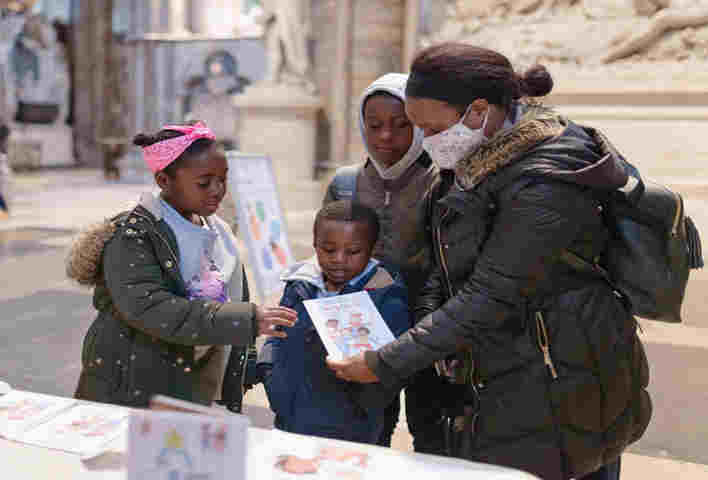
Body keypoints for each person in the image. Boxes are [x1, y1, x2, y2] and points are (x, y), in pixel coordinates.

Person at [327, 43, 651, 480]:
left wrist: (384, 362)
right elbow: (442, 262)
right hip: (501, 378)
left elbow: (491, 293)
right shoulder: (473, 157)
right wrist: (431, 344)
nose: (425, 141)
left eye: (430, 128)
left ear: (477, 112)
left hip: (563, 374)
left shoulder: (548, 177)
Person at [68, 121, 297, 408]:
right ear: (164, 180)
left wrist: (246, 365)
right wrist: (246, 320)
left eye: (223, 179)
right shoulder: (133, 236)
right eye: (204, 183)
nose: (217, 190)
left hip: (191, 385)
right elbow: (154, 309)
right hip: (131, 387)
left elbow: (236, 295)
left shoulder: (219, 231)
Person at [323, 73, 442, 452]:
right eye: (374, 126)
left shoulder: (442, 182)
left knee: (432, 434)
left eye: (401, 125)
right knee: (368, 433)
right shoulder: (346, 185)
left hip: (431, 329)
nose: (385, 138)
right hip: (363, 330)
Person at [258, 200, 411, 445]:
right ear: (315, 245)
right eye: (329, 250)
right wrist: (271, 374)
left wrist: (363, 403)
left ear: (372, 248)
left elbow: (393, 363)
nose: (339, 259)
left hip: (350, 429)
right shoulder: (300, 284)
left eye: (352, 252)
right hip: (290, 417)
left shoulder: (384, 293)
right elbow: (277, 336)